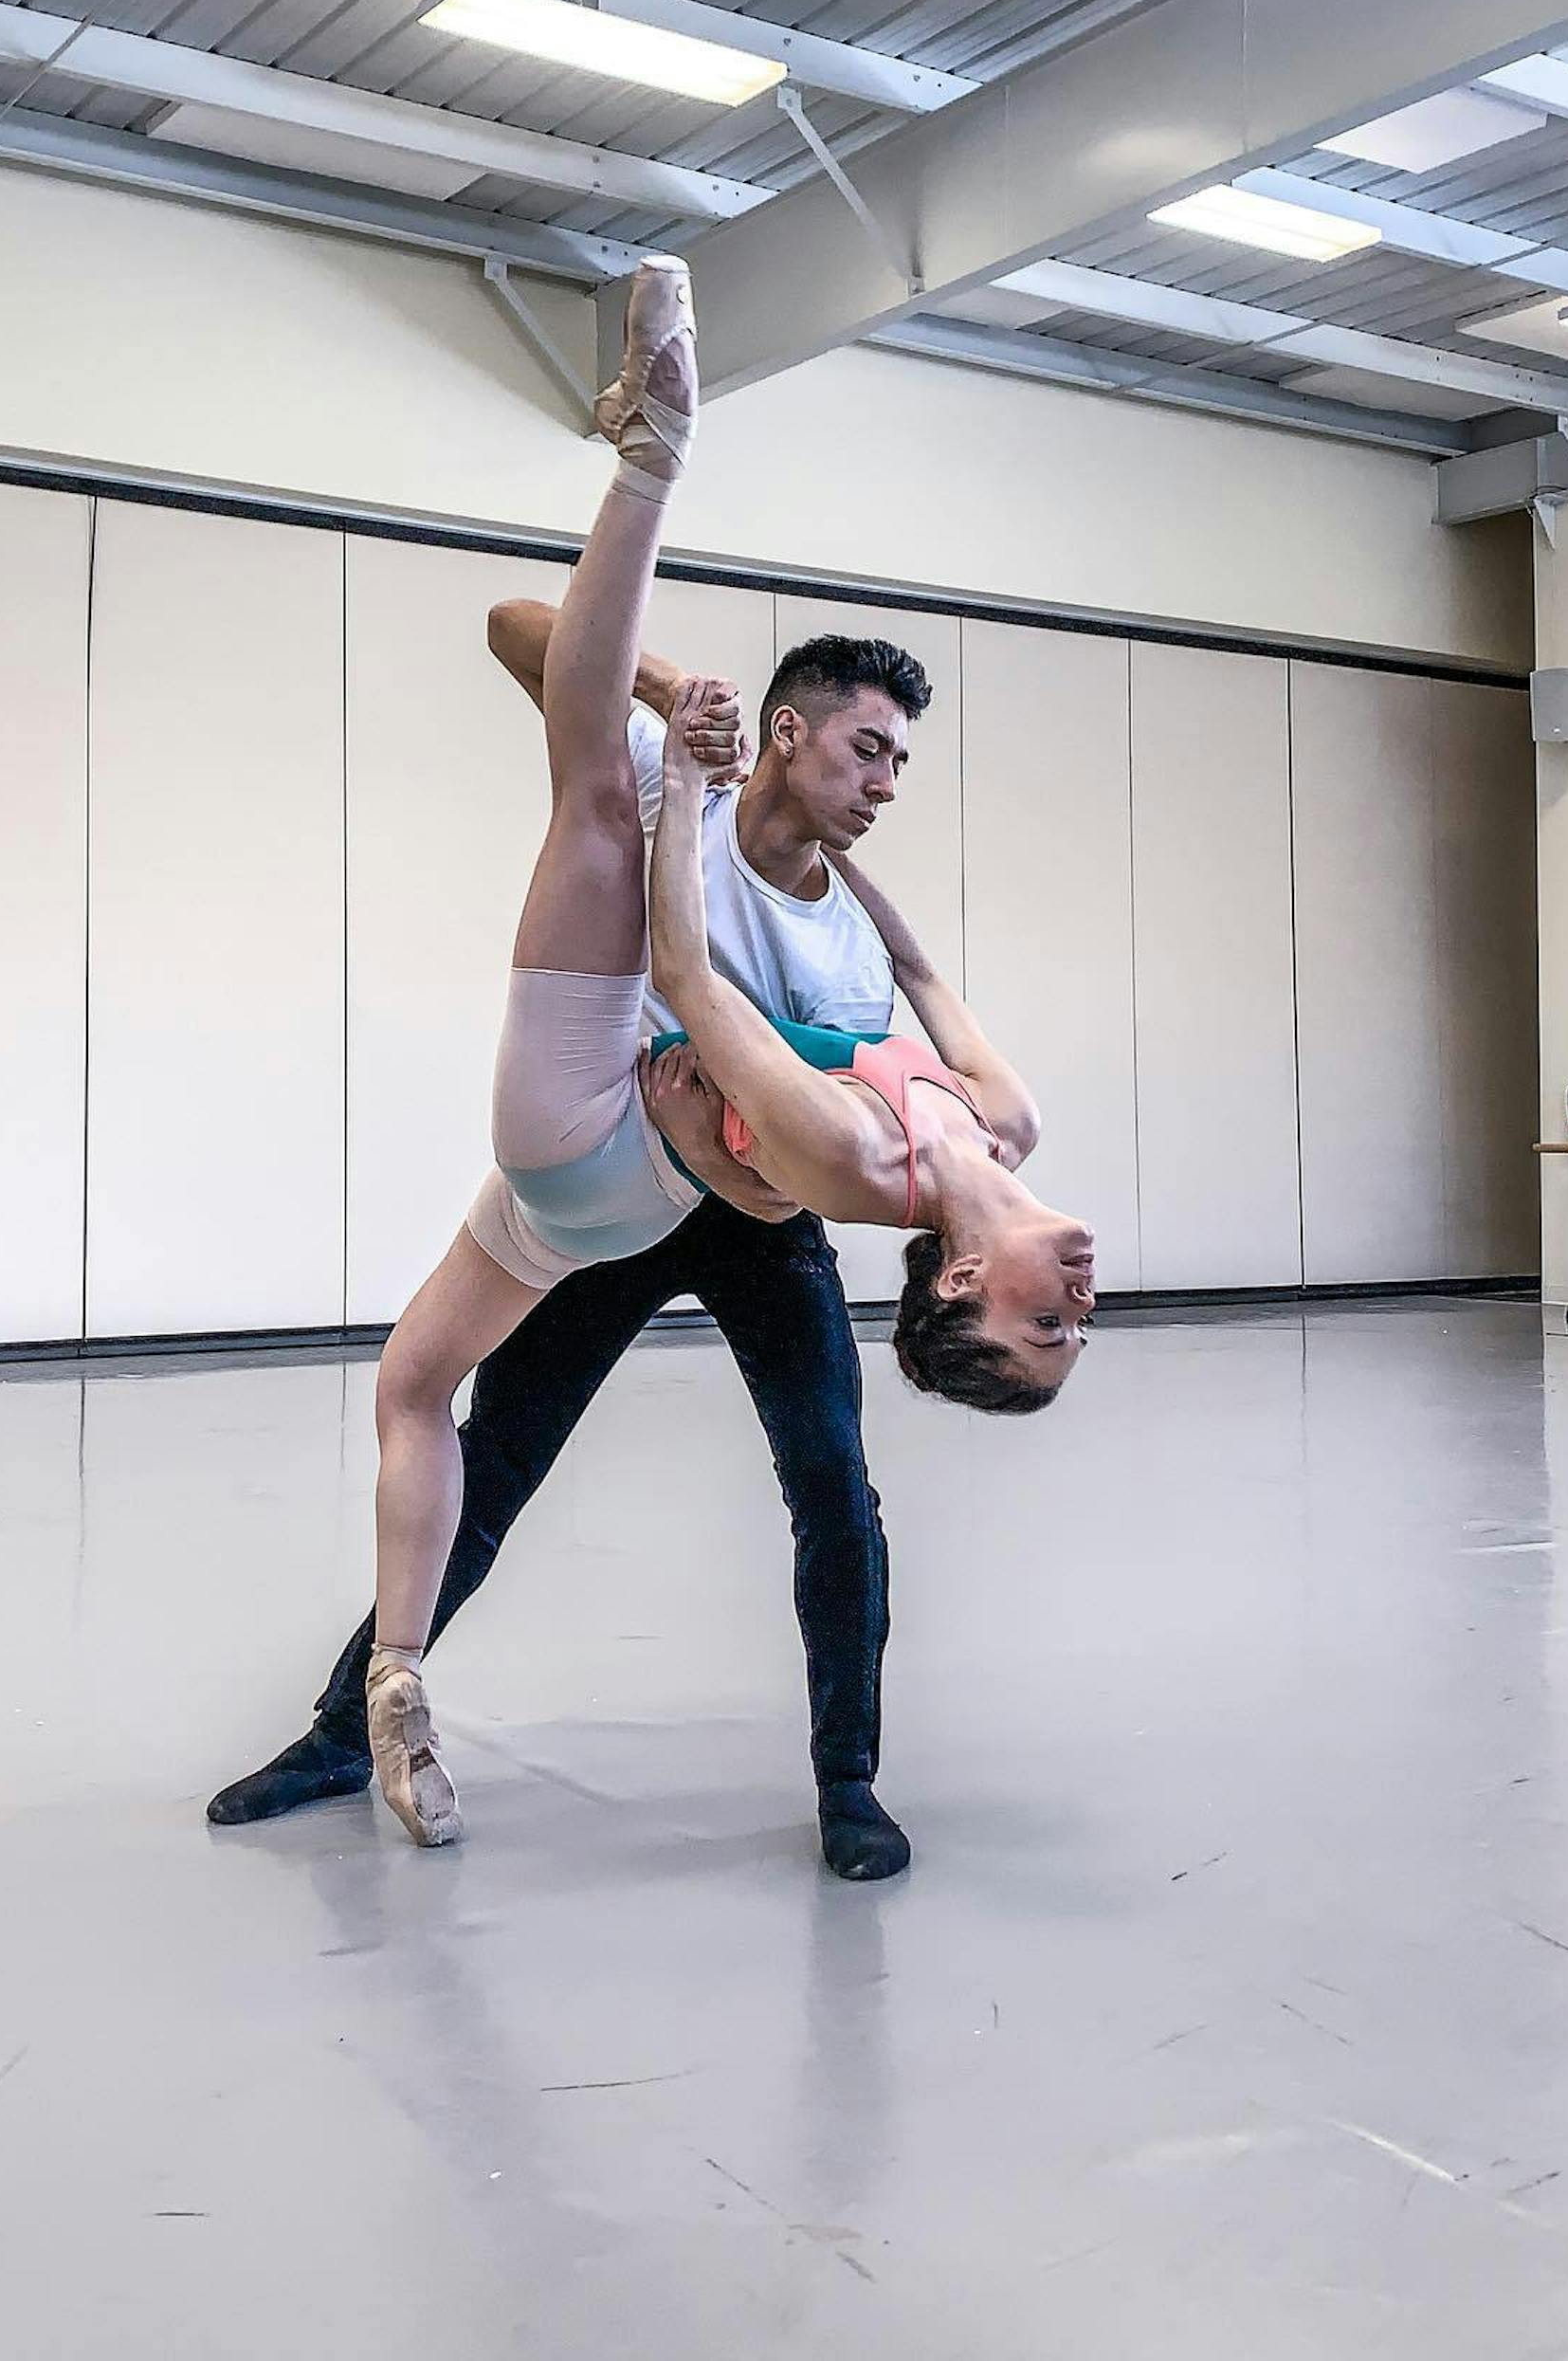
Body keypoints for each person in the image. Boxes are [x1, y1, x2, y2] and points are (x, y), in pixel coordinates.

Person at [216, 257, 1094, 1857]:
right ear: (786, 733)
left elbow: (857, 1091)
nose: (887, 780)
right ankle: (349, 1728)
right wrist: (659, 681)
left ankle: (848, 1782)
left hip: (763, 1217)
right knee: (507, 1452)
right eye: (868, 748)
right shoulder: (655, 759)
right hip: (628, 1179)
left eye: (902, 760)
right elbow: (513, 621)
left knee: (834, 1483)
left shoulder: (839, 941)